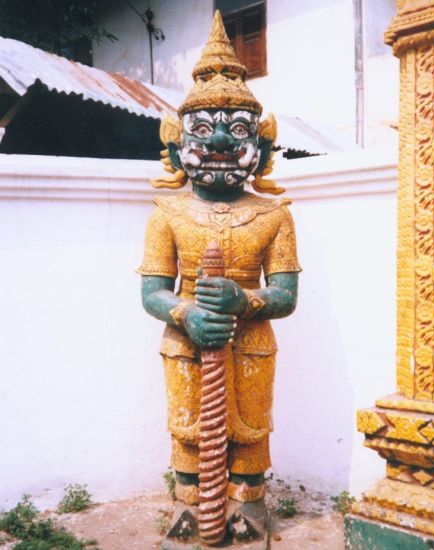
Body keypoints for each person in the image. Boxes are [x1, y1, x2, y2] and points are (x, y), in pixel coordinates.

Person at [138, 9, 301, 512]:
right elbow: (151, 292)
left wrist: (244, 299)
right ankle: (190, 508)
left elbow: (286, 295)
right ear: (176, 141)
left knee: (250, 431)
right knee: (189, 432)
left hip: (251, 339)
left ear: (263, 142)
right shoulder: (167, 212)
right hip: (189, 340)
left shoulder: (274, 216)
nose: (220, 142)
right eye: (203, 129)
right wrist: (188, 313)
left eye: (236, 129)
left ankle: (249, 507)